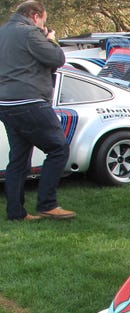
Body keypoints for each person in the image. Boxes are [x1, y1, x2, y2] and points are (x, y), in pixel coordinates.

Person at [0, 0, 75, 221]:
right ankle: (48, 204)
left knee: (19, 159)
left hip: (5, 104)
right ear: (35, 16)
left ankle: (16, 213)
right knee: (58, 148)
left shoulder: (3, 32)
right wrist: (49, 39)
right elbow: (57, 58)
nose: (43, 23)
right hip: (30, 102)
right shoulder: (30, 33)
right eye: (43, 19)